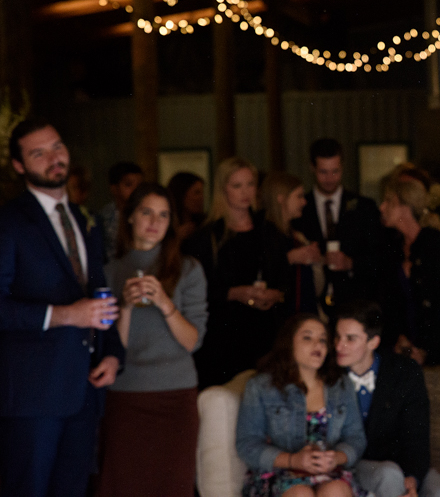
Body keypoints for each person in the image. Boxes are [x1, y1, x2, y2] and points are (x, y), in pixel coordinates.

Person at [0, 117, 123, 497]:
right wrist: (64, 315)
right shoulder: (8, 222)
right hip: (32, 395)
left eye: (57, 147)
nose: (53, 158)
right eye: (39, 153)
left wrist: (113, 354)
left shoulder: (84, 220)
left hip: (84, 388)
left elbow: (98, 293)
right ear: (20, 166)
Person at [97, 182, 208, 497]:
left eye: (163, 215)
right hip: (126, 396)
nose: (155, 222)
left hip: (176, 396)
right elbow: (111, 349)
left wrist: (164, 303)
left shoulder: (188, 270)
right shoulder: (108, 273)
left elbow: (193, 341)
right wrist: (127, 307)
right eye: (147, 212)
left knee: (173, 487)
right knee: (123, 486)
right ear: (130, 216)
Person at [334, 300, 440, 497]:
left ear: (373, 342)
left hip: (403, 466)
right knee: (388, 475)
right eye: (337, 336)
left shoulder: (404, 372)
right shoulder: (330, 375)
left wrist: (412, 478)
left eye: (350, 338)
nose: (339, 345)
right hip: (352, 466)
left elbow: (417, 434)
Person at [184, 157, 291, 387]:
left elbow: (286, 280)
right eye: (237, 186)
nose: (245, 192)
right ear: (223, 190)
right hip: (223, 339)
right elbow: (196, 293)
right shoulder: (206, 238)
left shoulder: (269, 231)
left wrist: (276, 294)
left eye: (250, 184)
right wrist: (234, 293)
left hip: (265, 334)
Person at [237, 313, 368, 497]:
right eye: (307, 338)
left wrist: (335, 458)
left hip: (329, 474)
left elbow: (356, 438)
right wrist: (293, 460)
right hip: (279, 473)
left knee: (336, 491)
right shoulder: (261, 386)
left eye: (323, 340)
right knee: (301, 495)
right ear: (289, 343)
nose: (318, 345)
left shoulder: (341, 385)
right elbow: (247, 444)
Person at [292, 139, 382, 315]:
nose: (330, 179)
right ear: (312, 168)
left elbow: (380, 257)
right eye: (323, 172)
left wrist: (351, 263)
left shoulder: (364, 207)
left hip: (355, 302)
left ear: (343, 167)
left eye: (335, 171)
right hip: (313, 305)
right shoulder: (300, 209)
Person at [378, 175, 440, 366]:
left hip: (435, 353)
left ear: (404, 206)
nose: (382, 207)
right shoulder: (392, 246)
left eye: (388, 201)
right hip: (402, 350)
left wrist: (427, 351)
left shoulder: (436, 245)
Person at [261, 171, 323, 315]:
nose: (304, 202)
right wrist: (290, 258)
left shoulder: (296, 234)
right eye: (299, 196)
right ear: (281, 198)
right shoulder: (264, 234)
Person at [100, 161, 144, 261]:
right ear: (114, 189)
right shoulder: (105, 217)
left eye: (140, 185)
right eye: (129, 185)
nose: (136, 189)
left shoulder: (147, 213)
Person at [167, 171, 207, 242]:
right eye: (196, 193)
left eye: (202, 193)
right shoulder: (167, 224)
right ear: (182, 194)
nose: (201, 198)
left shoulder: (205, 223)